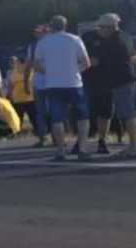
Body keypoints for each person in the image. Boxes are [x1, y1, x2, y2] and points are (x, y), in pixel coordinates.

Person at [33, 15, 92, 161]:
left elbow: (37, 65)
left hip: (53, 84)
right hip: (74, 83)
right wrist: (75, 71)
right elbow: (86, 62)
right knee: (82, 117)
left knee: (57, 118)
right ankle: (82, 148)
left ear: (51, 27)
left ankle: (60, 150)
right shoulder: (75, 39)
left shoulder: (43, 42)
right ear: (65, 25)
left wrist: (49, 72)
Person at [95, 13, 136, 159]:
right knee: (132, 114)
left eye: (101, 27)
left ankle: (134, 148)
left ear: (109, 27)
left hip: (122, 81)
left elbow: (100, 61)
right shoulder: (126, 36)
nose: (99, 30)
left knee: (128, 115)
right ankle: (134, 145)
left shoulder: (110, 42)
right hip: (133, 78)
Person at [81, 25, 111, 148]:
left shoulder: (114, 39)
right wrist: (87, 61)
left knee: (105, 112)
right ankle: (83, 140)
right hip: (89, 79)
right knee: (86, 111)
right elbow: (77, 55)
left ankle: (102, 140)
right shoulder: (86, 37)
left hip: (107, 80)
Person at [25, 25, 50, 147]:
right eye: (36, 32)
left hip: (52, 83)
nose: (37, 34)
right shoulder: (33, 46)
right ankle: (43, 137)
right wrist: (26, 82)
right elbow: (29, 65)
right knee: (41, 112)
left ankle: (57, 137)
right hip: (40, 83)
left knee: (53, 111)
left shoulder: (52, 44)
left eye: (40, 32)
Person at [7, 56, 37, 137]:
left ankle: (17, 132)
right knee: (33, 117)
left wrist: (10, 96)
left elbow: (11, 85)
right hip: (29, 97)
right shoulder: (30, 70)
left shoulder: (14, 71)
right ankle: (37, 131)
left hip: (19, 98)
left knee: (19, 117)